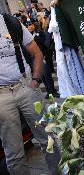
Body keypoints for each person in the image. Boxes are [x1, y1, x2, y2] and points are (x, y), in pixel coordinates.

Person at [0, 13, 60, 175]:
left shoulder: (10, 22)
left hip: (25, 86)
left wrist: (35, 81)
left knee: (48, 139)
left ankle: (59, 172)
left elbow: (36, 53)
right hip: (1, 96)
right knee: (13, 152)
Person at [26, 20, 59, 98]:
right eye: (28, 26)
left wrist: (36, 38)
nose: (30, 26)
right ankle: (48, 91)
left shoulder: (39, 33)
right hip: (34, 59)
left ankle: (52, 91)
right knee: (42, 76)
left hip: (43, 56)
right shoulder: (27, 37)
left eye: (31, 25)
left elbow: (45, 43)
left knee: (47, 74)